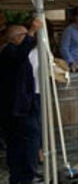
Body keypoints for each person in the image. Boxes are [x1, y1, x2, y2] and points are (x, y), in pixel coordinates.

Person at [0, 19, 42, 184]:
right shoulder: (10, 52)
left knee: (17, 144)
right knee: (29, 141)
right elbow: (21, 54)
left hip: (17, 107)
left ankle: (21, 177)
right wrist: (32, 30)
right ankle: (26, 176)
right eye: (24, 36)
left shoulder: (10, 52)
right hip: (19, 109)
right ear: (17, 38)